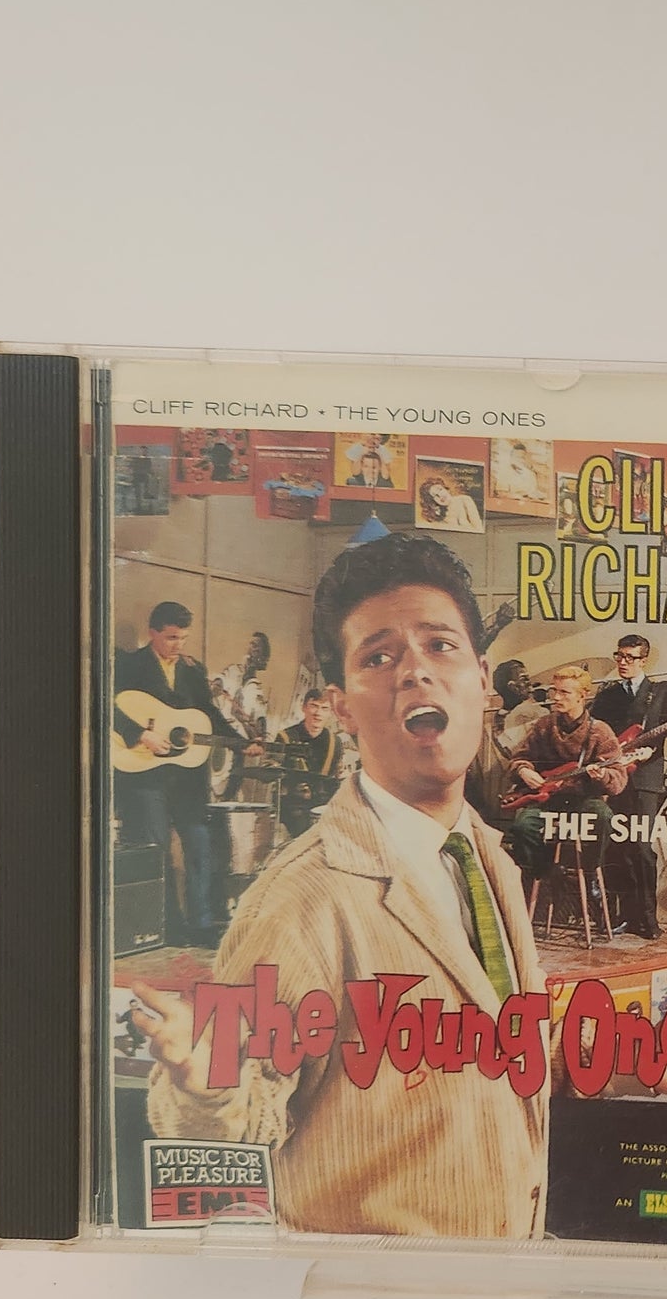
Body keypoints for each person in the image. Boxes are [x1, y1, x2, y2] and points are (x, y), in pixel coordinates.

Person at [127, 531, 551, 1240]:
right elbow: (237, 1123)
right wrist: (204, 1088)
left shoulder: (488, 859)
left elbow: (501, 1056)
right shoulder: (302, 899)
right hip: (376, 1293)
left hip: (508, 1275)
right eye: (378, 657)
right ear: (343, 707)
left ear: (483, 680)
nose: (415, 671)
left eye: (440, 645)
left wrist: (628, 1071)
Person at [114, 600, 233, 946]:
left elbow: (209, 714)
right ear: (152, 633)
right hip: (146, 774)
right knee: (159, 850)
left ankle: (202, 924)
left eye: (183, 638)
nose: (178, 645)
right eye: (171, 637)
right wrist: (141, 734)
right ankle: (169, 927)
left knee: (199, 846)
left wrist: (241, 742)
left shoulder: (193, 671)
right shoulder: (129, 665)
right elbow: (104, 705)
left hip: (187, 779)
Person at [501, 664, 630, 894]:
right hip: (546, 800)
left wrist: (602, 776)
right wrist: (524, 771)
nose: (556, 697)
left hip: (583, 800)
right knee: (522, 826)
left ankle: (590, 872)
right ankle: (545, 873)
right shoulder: (544, 726)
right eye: (555, 691)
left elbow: (618, 779)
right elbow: (520, 758)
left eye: (564, 692)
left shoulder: (600, 731)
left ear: (582, 696)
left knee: (603, 817)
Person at [590, 634, 667, 939]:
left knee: (643, 848)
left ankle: (648, 920)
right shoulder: (607, 696)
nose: (623, 662)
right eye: (619, 656)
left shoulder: (662, 692)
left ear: (643, 660)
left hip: (646, 780)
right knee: (619, 849)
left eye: (630, 657)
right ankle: (624, 917)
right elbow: (594, 735)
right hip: (615, 779)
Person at [270, 688, 344, 838]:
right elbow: (271, 771)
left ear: (330, 713)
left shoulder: (335, 742)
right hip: (293, 805)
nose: (318, 713)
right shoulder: (285, 737)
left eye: (324, 708)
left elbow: (337, 776)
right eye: (313, 706)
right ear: (303, 708)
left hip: (322, 806)